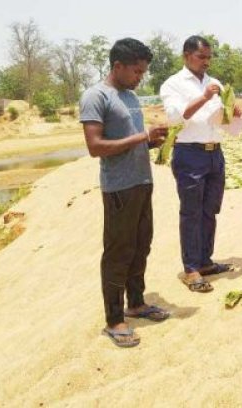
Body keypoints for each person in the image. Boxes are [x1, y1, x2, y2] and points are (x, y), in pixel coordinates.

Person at [80, 38, 170, 348]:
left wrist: (152, 141)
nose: (139, 77)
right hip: (119, 187)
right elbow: (95, 147)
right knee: (118, 251)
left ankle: (136, 303)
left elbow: (133, 139)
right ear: (117, 66)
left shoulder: (130, 96)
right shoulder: (96, 96)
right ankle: (114, 319)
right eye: (136, 71)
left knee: (140, 245)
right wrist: (141, 136)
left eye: (143, 72)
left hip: (142, 182)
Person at [160, 35, 242, 292]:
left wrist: (233, 113)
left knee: (210, 210)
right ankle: (191, 269)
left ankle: (205, 261)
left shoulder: (214, 82)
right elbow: (177, 115)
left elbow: (222, 120)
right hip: (189, 153)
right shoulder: (173, 84)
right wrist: (205, 97)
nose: (206, 62)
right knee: (191, 211)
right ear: (186, 56)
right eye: (201, 57)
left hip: (214, 152)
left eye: (209, 57)